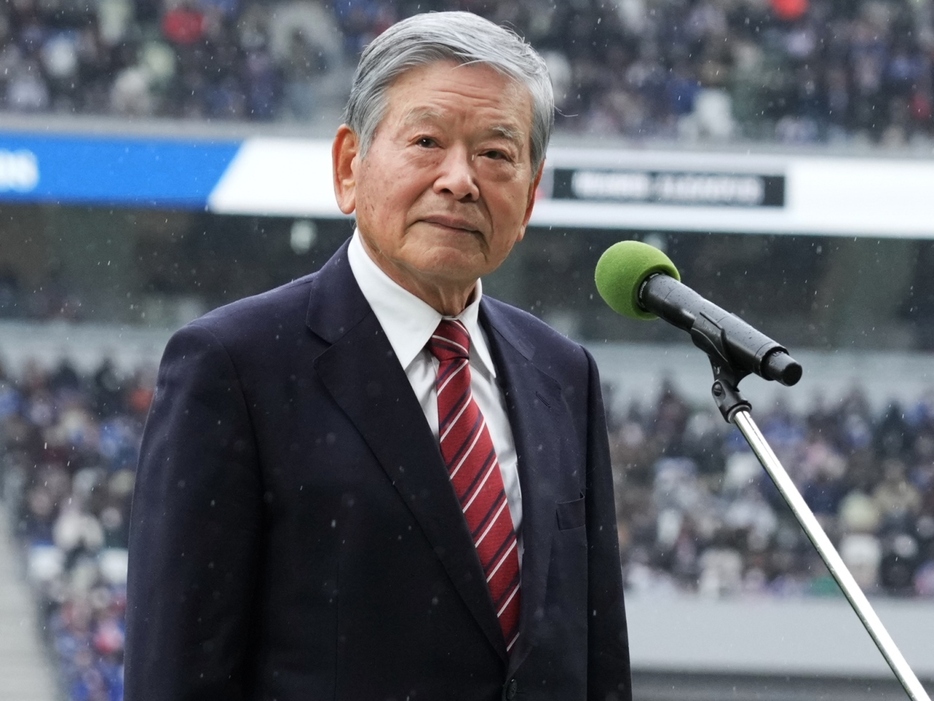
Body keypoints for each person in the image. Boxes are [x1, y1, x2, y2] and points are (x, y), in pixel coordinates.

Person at [124, 11, 631, 701]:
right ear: (349, 167)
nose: (461, 179)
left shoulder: (563, 374)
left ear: (531, 193)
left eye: (495, 152)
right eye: (426, 141)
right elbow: (179, 674)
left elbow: (596, 662)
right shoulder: (233, 367)